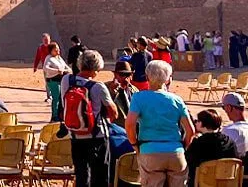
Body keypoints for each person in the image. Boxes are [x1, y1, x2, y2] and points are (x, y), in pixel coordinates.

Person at [126, 60, 194, 187]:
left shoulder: (139, 98)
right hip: (175, 151)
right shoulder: (177, 100)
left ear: (147, 77)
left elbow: (130, 124)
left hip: (149, 149)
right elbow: (190, 130)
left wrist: (134, 144)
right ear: (168, 79)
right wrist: (183, 146)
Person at [62, 50, 118, 187]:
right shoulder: (99, 87)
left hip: (75, 135)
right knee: (100, 176)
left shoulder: (67, 81)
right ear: (95, 69)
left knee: (81, 175)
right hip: (96, 136)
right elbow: (114, 113)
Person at [186, 109, 238, 187]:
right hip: (225, 182)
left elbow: (188, 162)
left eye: (197, 121)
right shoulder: (229, 142)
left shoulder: (198, 143)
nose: (195, 123)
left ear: (202, 123)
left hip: (202, 183)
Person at [42, 42, 72, 122]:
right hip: (53, 81)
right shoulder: (49, 58)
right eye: (56, 50)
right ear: (51, 50)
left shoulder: (59, 58)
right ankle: (54, 116)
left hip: (61, 80)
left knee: (61, 97)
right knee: (56, 98)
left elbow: (67, 68)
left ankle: (60, 114)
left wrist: (66, 70)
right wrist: (57, 71)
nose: (58, 51)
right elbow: (45, 68)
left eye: (58, 49)